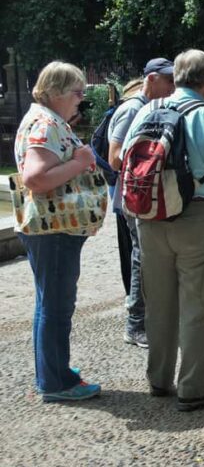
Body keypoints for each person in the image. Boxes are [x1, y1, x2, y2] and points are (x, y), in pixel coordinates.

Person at [123, 49, 204, 411]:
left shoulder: (147, 110)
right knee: (199, 304)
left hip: (151, 218)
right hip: (199, 219)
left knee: (159, 303)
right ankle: (193, 387)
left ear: (176, 77)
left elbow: (126, 162)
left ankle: (159, 379)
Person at [14, 61, 102, 402]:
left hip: (48, 228)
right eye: (77, 93)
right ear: (56, 92)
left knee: (48, 304)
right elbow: (36, 178)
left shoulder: (42, 119)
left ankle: (53, 373)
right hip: (54, 230)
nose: (81, 100)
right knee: (56, 307)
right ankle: (56, 382)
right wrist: (80, 161)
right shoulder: (46, 123)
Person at [107, 57, 175, 349]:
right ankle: (135, 325)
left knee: (147, 257)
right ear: (151, 79)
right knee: (141, 258)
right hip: (136, 197)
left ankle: (146, 320)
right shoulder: (133, 109)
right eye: (168, 80)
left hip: (144, 195)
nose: (173, 86)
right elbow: (114, 158)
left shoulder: (151, 106)